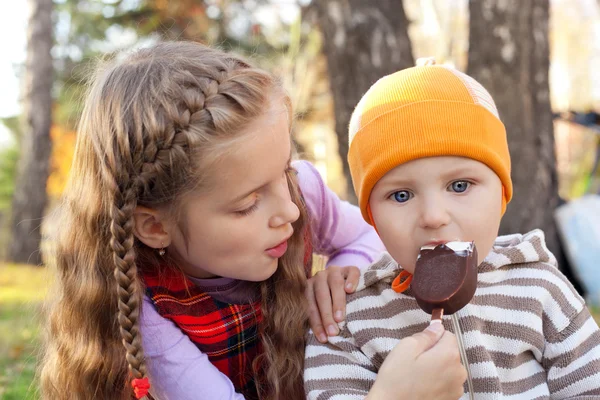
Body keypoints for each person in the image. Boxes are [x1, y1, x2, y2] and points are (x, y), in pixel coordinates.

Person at [39, 41, 387, 400]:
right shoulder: (145, 312)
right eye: (247, 204)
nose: (290, 210)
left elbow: (370, 233)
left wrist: (343, 273)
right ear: (156, 227)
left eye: (284, 170)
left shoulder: (300, 194)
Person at [304, 59, 600, 399]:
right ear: (371, 215)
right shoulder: (347, 321)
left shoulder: (543, 291)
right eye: (401, 195)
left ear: (502, 192)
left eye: (460, 186)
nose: (433, 216)